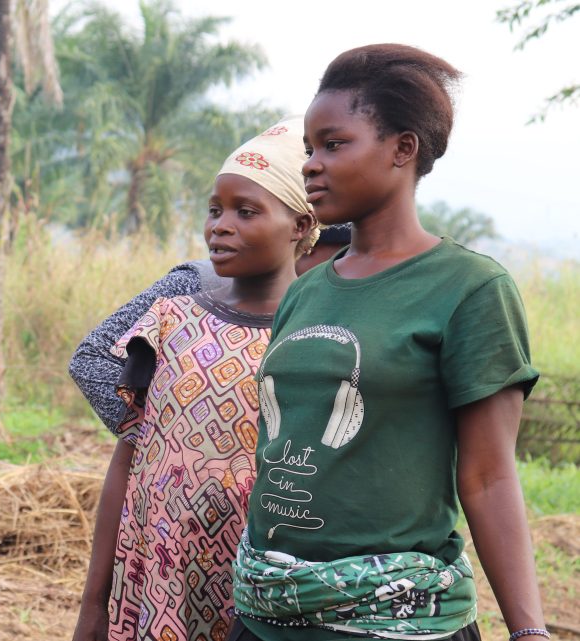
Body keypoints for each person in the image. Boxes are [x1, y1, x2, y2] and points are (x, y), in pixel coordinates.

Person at [230, 45, 546, 641]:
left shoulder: (469, 289)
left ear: (404, 149)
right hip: (266, 616)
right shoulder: (306, 290)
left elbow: (489, 476)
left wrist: (529, 630)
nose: (311, 165)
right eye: (308, 149)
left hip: (394, 625)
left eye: (334, 143)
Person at [71, 117, 317, 641]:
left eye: (246, 212)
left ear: (300, 225)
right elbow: (129, 461)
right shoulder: (168, 322)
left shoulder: (315, 338)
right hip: (158, 579)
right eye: (214, 210)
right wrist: (95, 604)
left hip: (259, 586)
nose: (219, 226)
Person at [70, 228, 348, 436]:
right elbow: (92, 358)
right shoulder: (198, 284)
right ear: (305, 237)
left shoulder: (332, 307)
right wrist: (158, 438)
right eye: (342, 255)